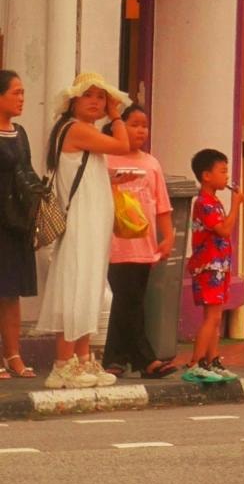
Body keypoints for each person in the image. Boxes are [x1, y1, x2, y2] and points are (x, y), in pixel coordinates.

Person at [44, 74, 132, 388]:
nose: (96, 102)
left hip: (89, 221)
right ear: (73, 101)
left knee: (88, 287)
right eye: (89, 96)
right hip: (80, 222)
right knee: (76, 287)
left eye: (101, 96)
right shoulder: (76, 129)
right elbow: (124, 144)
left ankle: (82, 359)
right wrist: (118, 115)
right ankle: (62, 364)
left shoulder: (80, 131)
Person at [103, 103, 175, 379]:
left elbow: (162, 207)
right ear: (118, 126)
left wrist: (167, 237)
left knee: (130, 301)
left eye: (144, 125)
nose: (141, 130)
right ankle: (146, 360)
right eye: (134, 124)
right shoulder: (105, 160)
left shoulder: (151, 163)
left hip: (144, 246)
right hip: (114, 245)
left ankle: (115, 359)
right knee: (127, 300)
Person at [182, 148, 238, 385]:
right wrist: (236, 205)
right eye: (222, 171)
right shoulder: (204, 203)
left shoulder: (214, 201)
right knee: (211, 317)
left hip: (219, 266)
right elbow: (224, 229)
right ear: (206, 175)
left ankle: (212, 359)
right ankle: (196, 363)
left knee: (216, 317)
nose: (227, 176)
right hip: (208, 267)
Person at [0, 70, 38, 380]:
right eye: (16, 92)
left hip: (16, 222)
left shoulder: (20, 132)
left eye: (23, 92)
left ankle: (13, 354)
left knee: (11, 292)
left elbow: (28, 172)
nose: (21, 98)